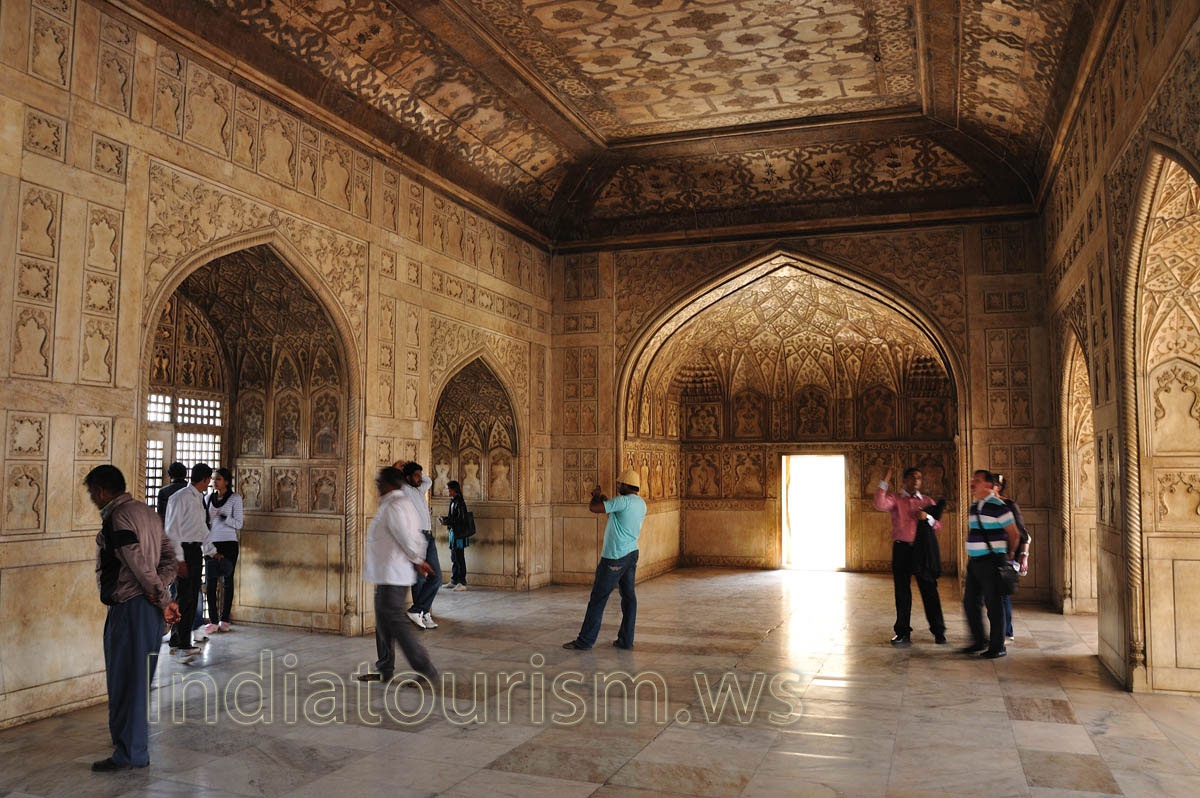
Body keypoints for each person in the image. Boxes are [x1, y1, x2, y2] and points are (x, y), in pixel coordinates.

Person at [86, 465, 180, 772]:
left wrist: (161, 597)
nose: (91, 498)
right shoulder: (147, 512)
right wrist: (162, 591)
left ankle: (131, 753)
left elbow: (137, 563)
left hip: (132, 608)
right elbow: (169, 559)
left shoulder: (119, 516)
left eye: (91, 493)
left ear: (101, 490)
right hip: (145, 608)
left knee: (129, 682)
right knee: (132, 680)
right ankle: (126, 744)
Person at [356, 467, 438, 684]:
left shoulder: (395, 505)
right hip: (387, 574)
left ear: (390, 483)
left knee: (396, 625)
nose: (377, 486)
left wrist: (418, 560)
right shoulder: (399, 503)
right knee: (384, 624)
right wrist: (417, 559)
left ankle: (425, 668)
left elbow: (406, 537)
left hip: (393, 575)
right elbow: (416, 536)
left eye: (379, 482)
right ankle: (384, 668)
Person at [563, 469, 647, 651]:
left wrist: (595, 496)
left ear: (625, 485)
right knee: (629, 598)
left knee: (598, 599)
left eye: (619, 484)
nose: (618, 487)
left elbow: (594, 508)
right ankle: (626, 640)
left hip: (614, 557)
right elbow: (614, 514)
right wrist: (604, 499)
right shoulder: (640, 503)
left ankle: (585, 641)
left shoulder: (622, 501)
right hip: (631, 554)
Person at [873, 467, 947, 645]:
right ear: (905, 480)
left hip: (922, 551)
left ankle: (939, 631)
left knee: (929, 591)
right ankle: (903, 632)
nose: (916, 481)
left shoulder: (928, 501)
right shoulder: (896, 500)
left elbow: (937, 525)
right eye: (912, 478)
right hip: (902, 550)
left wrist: (927, 517)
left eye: (919, 478)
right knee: (902, 592)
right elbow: (879, 503)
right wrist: (885, 479)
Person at [962, 469, 1022, 659]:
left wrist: (1009, 554)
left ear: (988, 485)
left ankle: (997, 647)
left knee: (994, 605)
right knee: (970, 602)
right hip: (975, 563)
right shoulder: (974, 506)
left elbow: (1014, 533)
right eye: (973, 479)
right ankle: (978, 641)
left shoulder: (998, 506)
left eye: (977, 480)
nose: (973, 482)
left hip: (992, 562)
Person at [164, 462, 212, 657]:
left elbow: (201, 527)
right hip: (182, 551)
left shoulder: (198, 498)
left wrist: (209, 549)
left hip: (194, 550)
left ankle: (178, 639)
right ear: (206, 480)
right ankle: (183, 643)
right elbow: (171, 530)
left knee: (189, 596)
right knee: (186, 597)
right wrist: (179, 559)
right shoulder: (180, 497)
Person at [395, 460, 439, 629]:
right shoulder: (405, 490)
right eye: (416, 475)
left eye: (420, 475)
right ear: (407, 477)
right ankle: (422, 612)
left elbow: (429, 481)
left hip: (428, 536)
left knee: (436, 577)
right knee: (420, 578)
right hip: (417, 536)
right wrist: (401, 469)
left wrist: (418, 471)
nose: (420, 478)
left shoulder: (420, 490)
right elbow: (395, 480)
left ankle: (420, 609)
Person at [203, 468, 243, 635]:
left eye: (218, 479)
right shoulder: (207, 498)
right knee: (211, 582)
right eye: (213, 479)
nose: (214, 482)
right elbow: (204, 522)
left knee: (227, 581)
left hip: (229, 543)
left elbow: (239, 524)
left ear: (226, 481)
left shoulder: (235, 498)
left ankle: (224, 619)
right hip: (212, 543)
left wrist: (225, 517)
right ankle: (212, 620)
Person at [994, 474, 1031, 641]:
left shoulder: (1009, 505)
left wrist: (1023, 556)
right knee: (994, 596)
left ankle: (1006, 632)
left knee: (1002, 595)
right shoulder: (985, 506)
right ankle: (1000, 631)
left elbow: (1023, 534)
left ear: (998, 487)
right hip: (991, 556)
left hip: (1007, 556)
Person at [440, 480, 470, 590]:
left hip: (459, 534)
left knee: (459, 557)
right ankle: (454, 580)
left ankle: (462, 582)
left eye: (449, 489)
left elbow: (460, 520)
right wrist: (445, 520)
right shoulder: (452, 501)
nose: (447, 491)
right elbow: (452, 517)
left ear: (454, 490)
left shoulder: (460, 502)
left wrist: (447, 521)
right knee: (454, 556)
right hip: (454, 533)